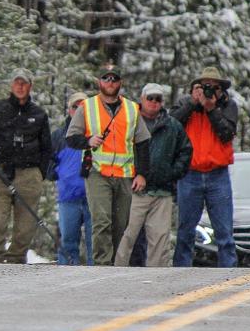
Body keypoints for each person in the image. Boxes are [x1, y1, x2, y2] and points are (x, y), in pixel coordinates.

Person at [66, 63, 150, 266]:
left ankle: (112, 264)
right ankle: (101, 264)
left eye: (114, 79)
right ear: (99, 82)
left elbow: (143, 142)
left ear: (120, 82)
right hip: (97, 171)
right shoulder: (87, 107)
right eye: (106, 78)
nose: (110, 82)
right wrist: (88, 141)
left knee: (120, 225)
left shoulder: (132, 108)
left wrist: (142, 174)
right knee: (102, 221)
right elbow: (71, 137)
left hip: (124, 173)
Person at [0, 68, 53, 264]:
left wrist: (39, 173)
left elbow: (47, 148)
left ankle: (16, 260)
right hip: (0, 171)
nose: (20, 86)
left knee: (25, 225)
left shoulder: (39, 114)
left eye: (24, 83)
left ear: (30, 86)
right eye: (17, 82)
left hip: (29, 174)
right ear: (11, 85)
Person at [115, 83, 192, 267]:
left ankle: (158, 280)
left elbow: (186, 151)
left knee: (160, 239)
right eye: (150, 98)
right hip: (134, 190)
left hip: (162, 192)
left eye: (158, 99)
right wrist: (128, 174)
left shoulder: (172, 125)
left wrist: (172, 173)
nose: (154, 102)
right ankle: (115, 272)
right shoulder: (128, 121)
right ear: (142, 99)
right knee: (126, 236)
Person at [170, 66, 239, 267]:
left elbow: (227, 134)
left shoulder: (228, 106)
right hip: (190, 174)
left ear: (221, 90)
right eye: (205, 86)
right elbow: (171, 125)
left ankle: (228, 272)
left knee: (224, 231)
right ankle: (181, 271)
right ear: (196, 88)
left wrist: (211, 110)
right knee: (185, 230)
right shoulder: (186, 104)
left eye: (214, 87)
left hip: (218, 175)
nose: (209, 91)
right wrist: (193, 103)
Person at [49, 91, 93, 265]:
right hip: (68, 196)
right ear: (69, 110)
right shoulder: (59, 136)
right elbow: (48, 159)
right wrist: (55, 172)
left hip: (93, 197)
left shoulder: (96, 133)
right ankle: (64, 279)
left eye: (83, 106)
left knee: (94, 244)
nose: (79, 110)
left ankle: (97, 280)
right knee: (67, 244)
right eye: (75, 106)